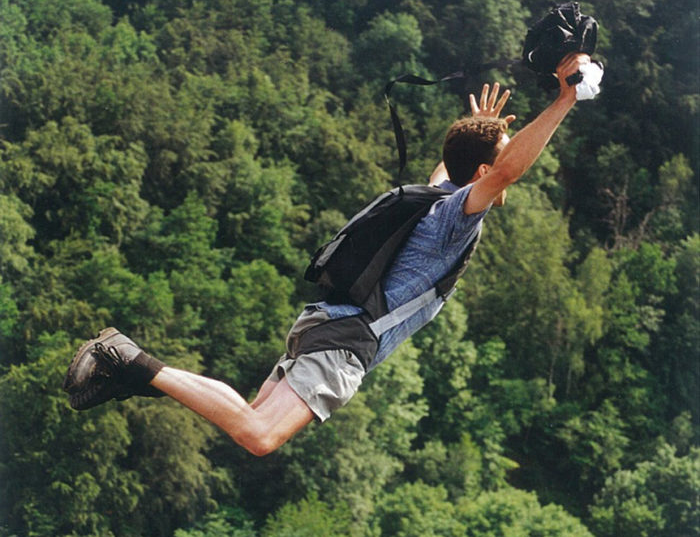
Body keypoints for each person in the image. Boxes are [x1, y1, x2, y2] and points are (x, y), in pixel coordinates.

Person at [63, 53, 588, 455]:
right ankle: (127, 359)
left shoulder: (440, 197)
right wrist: (564, 98)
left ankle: (135, 369)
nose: (511, 162)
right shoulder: (455, 218)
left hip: (326, 325)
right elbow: (506, 171)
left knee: (249, 420)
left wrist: (483, 132)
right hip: (346, 338)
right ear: (480, 175)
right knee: (259, 436)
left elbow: (461, 169)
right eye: (500, 156)